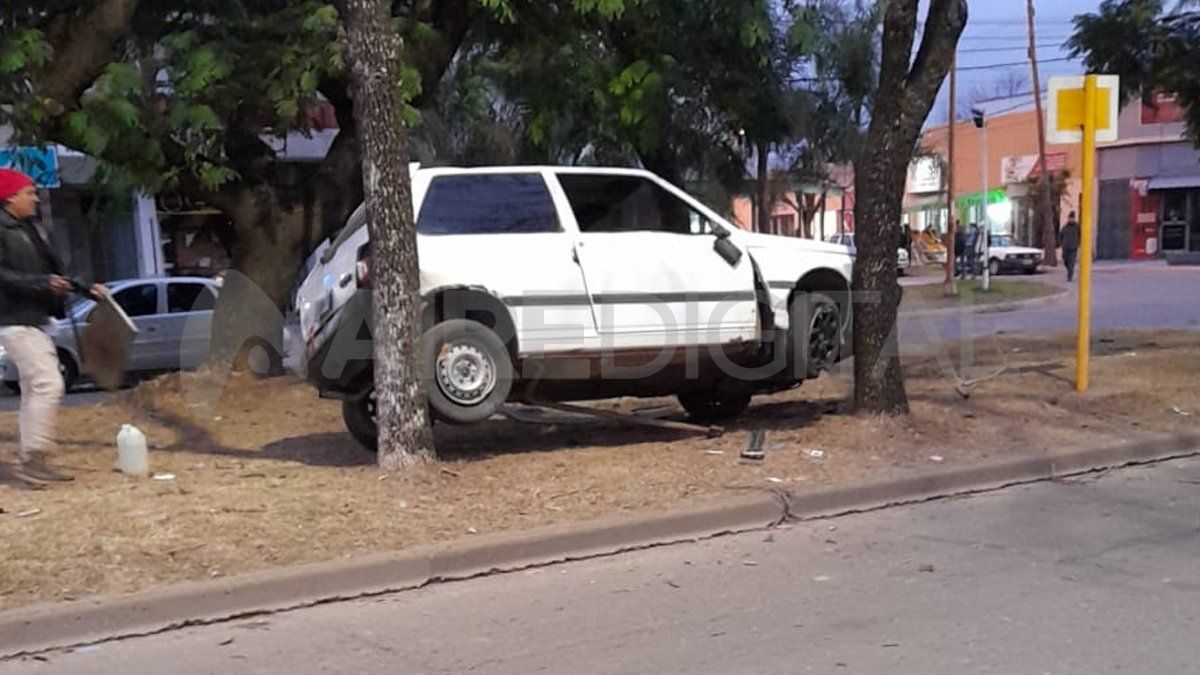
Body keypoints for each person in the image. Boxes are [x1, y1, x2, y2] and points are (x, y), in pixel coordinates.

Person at [0, 168, 104, 486]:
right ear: (10, 197)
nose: (35, 198)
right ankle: (35, 458)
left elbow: (55, 272)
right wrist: (42, 282)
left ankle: (34, 457)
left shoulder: (29, 228)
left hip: (35, 317)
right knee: (47, 384)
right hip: (14, 319)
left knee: (35, 387)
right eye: (29, 192)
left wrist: (86, 289)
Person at [1060, 211, 1081, 282]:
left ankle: (1070, 275)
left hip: (1073, 248)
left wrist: (1078, 243)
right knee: (1066, 261)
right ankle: (1069, 270)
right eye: (1070, 218)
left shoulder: (1077, 227)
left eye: (1072, 218)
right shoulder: (1065, 227)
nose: (1071, 220)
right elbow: (1061, 235)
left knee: (1071, 263)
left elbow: (1080, 235)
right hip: (1065, 248)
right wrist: (1062, 244)